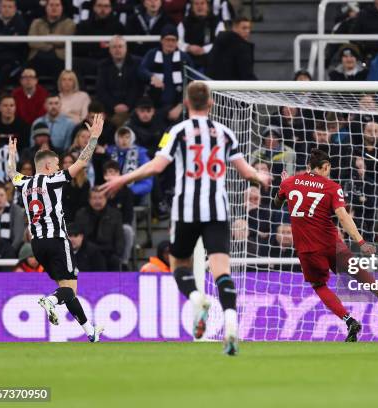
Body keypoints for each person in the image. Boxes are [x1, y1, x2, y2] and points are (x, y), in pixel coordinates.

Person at [101, 81, 271, 356]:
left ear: (188, 104)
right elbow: (246, 171)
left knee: (178, 263)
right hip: (217, 210)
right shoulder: (226, 133)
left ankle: (196, 299)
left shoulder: (177, 131)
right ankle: (230, 324)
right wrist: (260, 176)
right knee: (221, 271)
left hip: (186, 211)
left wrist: (124, 178)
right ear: (212, 103)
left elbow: (156, 167)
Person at [273, 148, 378, 342]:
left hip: (307, 249)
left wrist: (283, 185)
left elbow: (277, 203)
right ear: (325, 167)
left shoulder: (290, 182)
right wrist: (361, 241)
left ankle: (349, 320)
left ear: (308, 166)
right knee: (358, 273)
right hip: (331, 243)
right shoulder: (332, 186)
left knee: (319, 285)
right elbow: (342, 216)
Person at [7, 114, 105, 342]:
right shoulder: (52, 179)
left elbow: (12, 173)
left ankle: (90, 332)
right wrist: (94, 139)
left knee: (66, 289)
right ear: (49, 166)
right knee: (69, 289)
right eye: (58, 164)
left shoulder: (24, 182)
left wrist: (12, 156)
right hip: (58, 240)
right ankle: (50, 301)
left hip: (37, 244)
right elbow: (81, 163)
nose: (61, 167)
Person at [138, 25, 193, 122]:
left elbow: (191, 83)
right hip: (155, 106)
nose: (170, 43)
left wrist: (181, 106)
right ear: (161, 40)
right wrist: (152, 77)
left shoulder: (184, 58)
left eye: (173, 40)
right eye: (168, 40)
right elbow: (141, 70)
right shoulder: (152, 54)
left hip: (178, 107)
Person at [74, 187, 125, 271]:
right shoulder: (81, 214)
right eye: (94, 198)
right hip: (87, 252)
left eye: (100, 198)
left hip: (108, 251)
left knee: (114, 261)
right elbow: (78, 237)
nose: (97, 201)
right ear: (89, 200)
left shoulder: (115, 214)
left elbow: (119, 238)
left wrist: (117, 254)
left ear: (106, 199)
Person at [96, 36, 143, 126]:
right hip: (109, 109)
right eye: (114, 47)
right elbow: (101, 89)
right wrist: (114, 105)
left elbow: (137, 88)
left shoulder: (137, 63)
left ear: (126, 48)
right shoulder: (103, 65)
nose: (117, 50)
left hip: (133, 107)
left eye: (120, 46)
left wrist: (127, 105)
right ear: (109, 50)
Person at [27, 0, 76, 79]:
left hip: (59, 58)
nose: (54, 8)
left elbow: (63, 42)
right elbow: (32, 42)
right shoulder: (36, 22)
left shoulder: (69, 23)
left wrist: (44, 37)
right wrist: (50, 45)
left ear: (62, 7)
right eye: (51, 5)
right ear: (46, 7)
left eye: (57, 5)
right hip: (37, 57)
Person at [74, 0, 124, 76]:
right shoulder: (84, 25)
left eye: (106, 6)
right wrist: (97, 46)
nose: (103, 9)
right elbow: (77, 47)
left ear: (111, 8)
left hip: (110, 61)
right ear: (94, 7)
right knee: (74, 62)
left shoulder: (118, 27)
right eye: (99, 6)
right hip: (89, 60)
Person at [105, 126, 153, 202]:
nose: (124, 140)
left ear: (132, 139)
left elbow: (147, 182)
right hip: (113, 191)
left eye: (127, 137)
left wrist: (128, 191)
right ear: (116, 139)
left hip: (134, 193)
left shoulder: (141, 154)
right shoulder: (109, 152)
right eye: (121, 137)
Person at [178, 0, 225, 71]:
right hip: (188, 59)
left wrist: (204, 50)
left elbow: (220, 42)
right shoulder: (184, 23)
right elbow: (178, 41)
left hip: (210, 60)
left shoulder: (217, 22)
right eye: (196, 4)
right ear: (192, 6)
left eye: (202, 3)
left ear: (208, 6)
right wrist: (188, 47)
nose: (199, 6)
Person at [206, 16, 256, 80]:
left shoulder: (220, 41)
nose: (247, 31)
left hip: (216, 84)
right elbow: (246, 73)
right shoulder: (241, 47)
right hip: (233, 86)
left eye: (249, 28)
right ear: (234, 28)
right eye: (244, 28)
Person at [61, 153, 91, 223]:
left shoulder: (84, 181)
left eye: (70, 162)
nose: (67, 164)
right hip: (63, 219)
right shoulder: (58, 180)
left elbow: (84, 203)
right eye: (65, 162)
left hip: (79, 218)